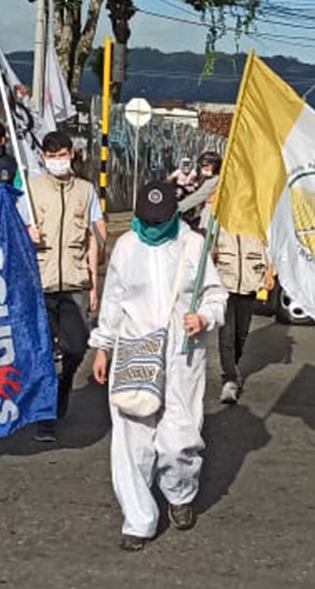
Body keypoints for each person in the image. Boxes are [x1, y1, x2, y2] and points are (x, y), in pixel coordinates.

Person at [90, 181, 227, 551]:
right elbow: (113, 301)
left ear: (173, 216)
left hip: (182, 355)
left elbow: (216, 294)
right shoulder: (127, 246)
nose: (152, 229)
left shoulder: (192, 245)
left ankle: (180, 492)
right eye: (146, 221)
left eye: (159, 222)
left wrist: (204, 317)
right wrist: (102, 347)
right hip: (133, 350)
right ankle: (138, 518)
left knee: (178, 439)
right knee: (131, 440)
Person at [30, 130, 106, 444]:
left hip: (75, 282)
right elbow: (11, 229)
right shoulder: (32, 188)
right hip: (41, 281)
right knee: (44, 352)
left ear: (71, 154)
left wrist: (94, 284)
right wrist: (27, 231)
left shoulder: (86, 191)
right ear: (44, 158)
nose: (57, 161)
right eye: (51, 156)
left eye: (61, 155)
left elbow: (92, 237)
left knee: (77, 346)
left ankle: (64, 386)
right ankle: (46, 416)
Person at [211, 190, 271, 405]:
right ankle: (229, 378)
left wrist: (269, 272)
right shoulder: (218, 214)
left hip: (249, 281)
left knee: (241, 334)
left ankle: (233, 364)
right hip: (224, 281)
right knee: (226, 333)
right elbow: (207, 241)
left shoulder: (258, 218)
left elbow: (267, 245)